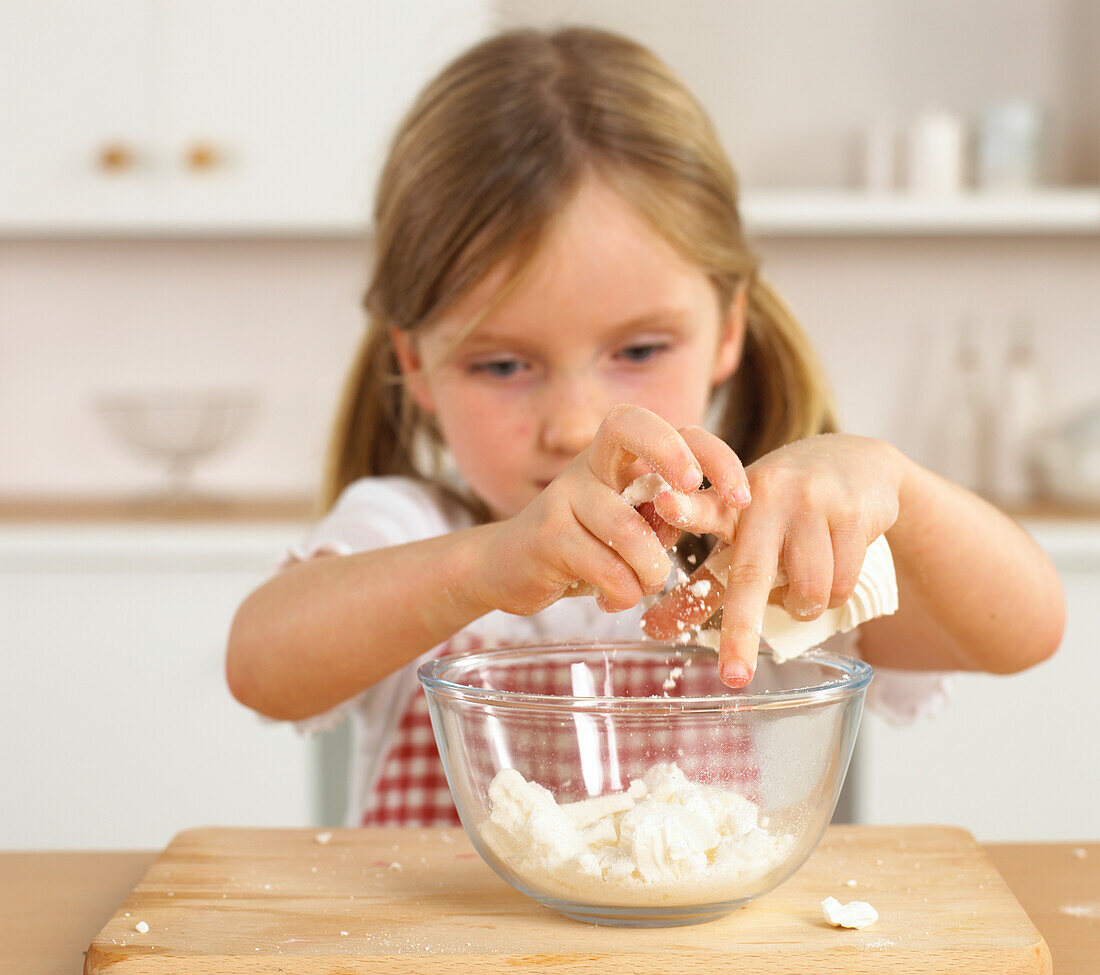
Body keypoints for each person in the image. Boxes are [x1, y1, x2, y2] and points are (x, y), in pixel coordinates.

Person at [225, 27, 1064, 827]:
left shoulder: (764, 556)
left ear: (728, 328)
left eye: (638, 348)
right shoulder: (406, 530)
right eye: (503, 365)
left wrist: (898, 486)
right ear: (414, 363)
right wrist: (485, 565)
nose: (578, 423)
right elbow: (260, 665)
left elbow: (1026, 630)